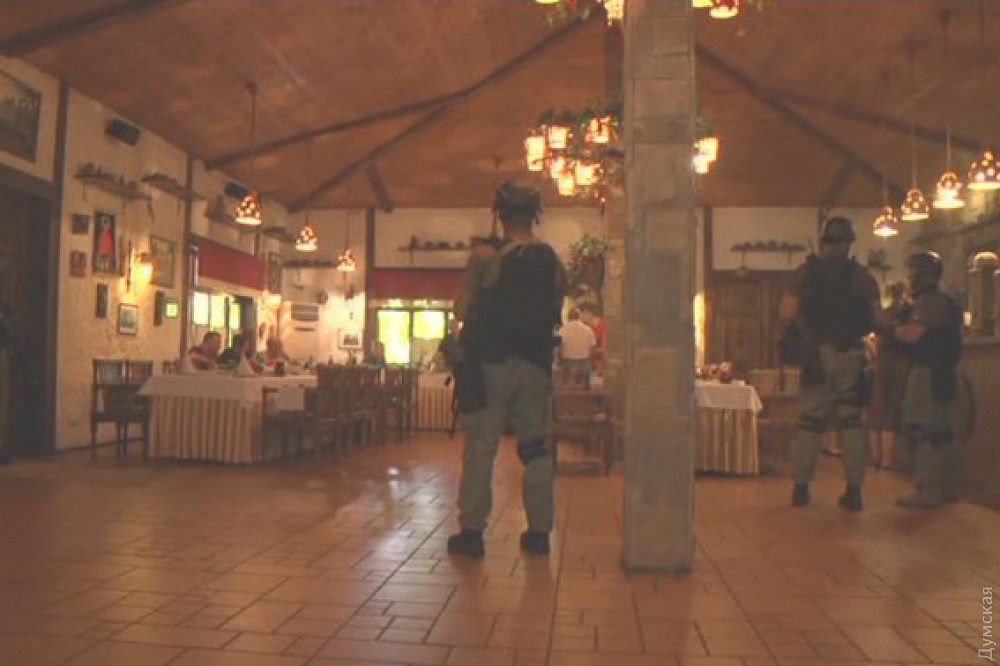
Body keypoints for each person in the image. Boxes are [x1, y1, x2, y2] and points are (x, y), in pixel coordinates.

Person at [449, 180, 566, 558]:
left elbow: (461, 308)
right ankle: (540, 532)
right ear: (535, 216)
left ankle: (471, 533)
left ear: (500, 215)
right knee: (536, 448)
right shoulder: (552, 261)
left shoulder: (486, 257)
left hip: (491, 365)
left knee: (481, 448)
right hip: (535, 366)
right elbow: (556, 309)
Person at [779, 216, 882, 511]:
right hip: (851, 354)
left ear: (823, 241)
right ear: (849, 243)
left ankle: (800, 488)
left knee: (810, 423)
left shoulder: (805, 273)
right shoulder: (861, 276)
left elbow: (787, 313)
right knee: (852, 422)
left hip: (816, 355)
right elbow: (877, 318)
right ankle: (855, 490)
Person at [891, 252, 963, 508]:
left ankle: (928, 488)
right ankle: (947, 487)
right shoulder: (944, 299)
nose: (910, 276)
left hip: (928, 372)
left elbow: (913, 334)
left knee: (925, 430)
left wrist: (889, 330)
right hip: (942, 372)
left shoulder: (931, 300)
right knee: (941, 431)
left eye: (912, 271)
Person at [869, 281, 912, 470]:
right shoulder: (909, 313)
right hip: (901, 360)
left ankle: (875, 457)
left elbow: (876, 342)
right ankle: (887, 459)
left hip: (882, 361)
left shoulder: (884, 314)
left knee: (877, 408)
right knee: (893, 408)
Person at [559, 308, 596, 387]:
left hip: (568, 362)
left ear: (568, 317)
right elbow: (592, 348)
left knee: (568, 387)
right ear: (579, 316)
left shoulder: (563, 330)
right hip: (584, 362)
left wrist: (560, 360)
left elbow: (560, 347)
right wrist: (590, 362)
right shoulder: (588, 330)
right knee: (584, 387)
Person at [578, 303, 606, 372]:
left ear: (590, 313)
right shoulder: (585, 325)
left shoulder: (598, 326)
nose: (581, 317)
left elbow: (601, 346)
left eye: (583, 314)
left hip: (595, 360)